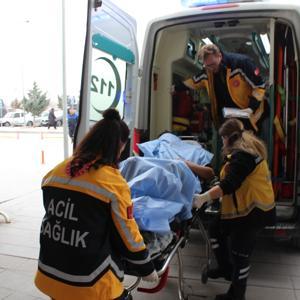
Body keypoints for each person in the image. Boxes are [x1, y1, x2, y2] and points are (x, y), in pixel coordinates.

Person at [35, 108, 158, 300]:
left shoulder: (55, 172)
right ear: (120, 145)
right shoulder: (112, 183)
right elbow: (127, 233)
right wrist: (146, 267)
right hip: (89, 282)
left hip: (49, 274)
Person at [193, 118, 276, 300]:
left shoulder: (244, 155)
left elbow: (229, 184)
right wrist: (213, 188)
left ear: (229, 138)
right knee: (216, 228)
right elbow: (228, 180)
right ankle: (225, 268)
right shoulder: (242, 153)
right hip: (244, 209)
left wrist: (203, 198)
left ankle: (236, 295)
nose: (222, 142)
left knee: (240, 254)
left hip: (253, 212)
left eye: (222, 138)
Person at [184, 44, 266, 132]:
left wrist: (251, 108)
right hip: (227, 117)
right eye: (207, 66)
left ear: (219, 56)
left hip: (248, 115)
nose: (211, 69)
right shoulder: (208, 70)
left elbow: (260, 86)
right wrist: (175, 88)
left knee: (247, 142)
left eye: (213, 64)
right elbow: (194, 82)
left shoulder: (242, 62)